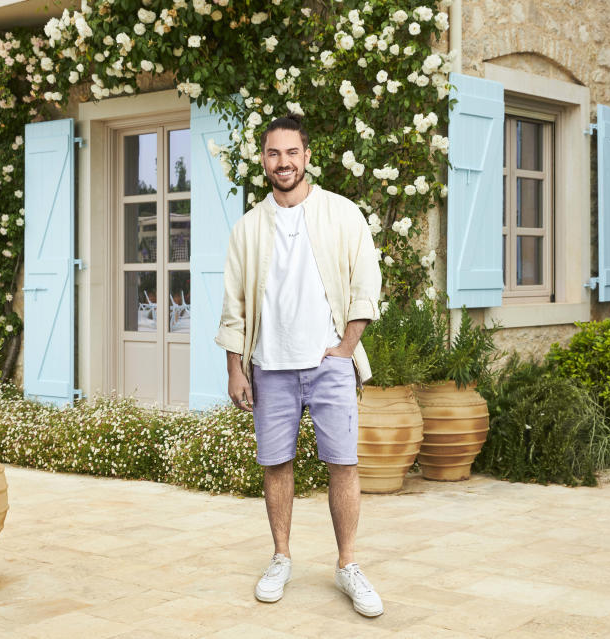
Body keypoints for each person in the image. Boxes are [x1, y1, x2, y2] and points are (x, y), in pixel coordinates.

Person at [214, 113, 384, 617]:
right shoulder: (248, 228)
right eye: (273, 153)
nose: (283, 162)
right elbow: (233, 308)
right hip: (269, 365)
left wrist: (347, 346)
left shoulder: (342, 214)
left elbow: (365, 286)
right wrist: (235, 369)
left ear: (307, 157)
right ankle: (281, 557)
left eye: (292, 152)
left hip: (329, 362)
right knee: (275, 465)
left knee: (343, 465)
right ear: (263, 160)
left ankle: (348, 564)